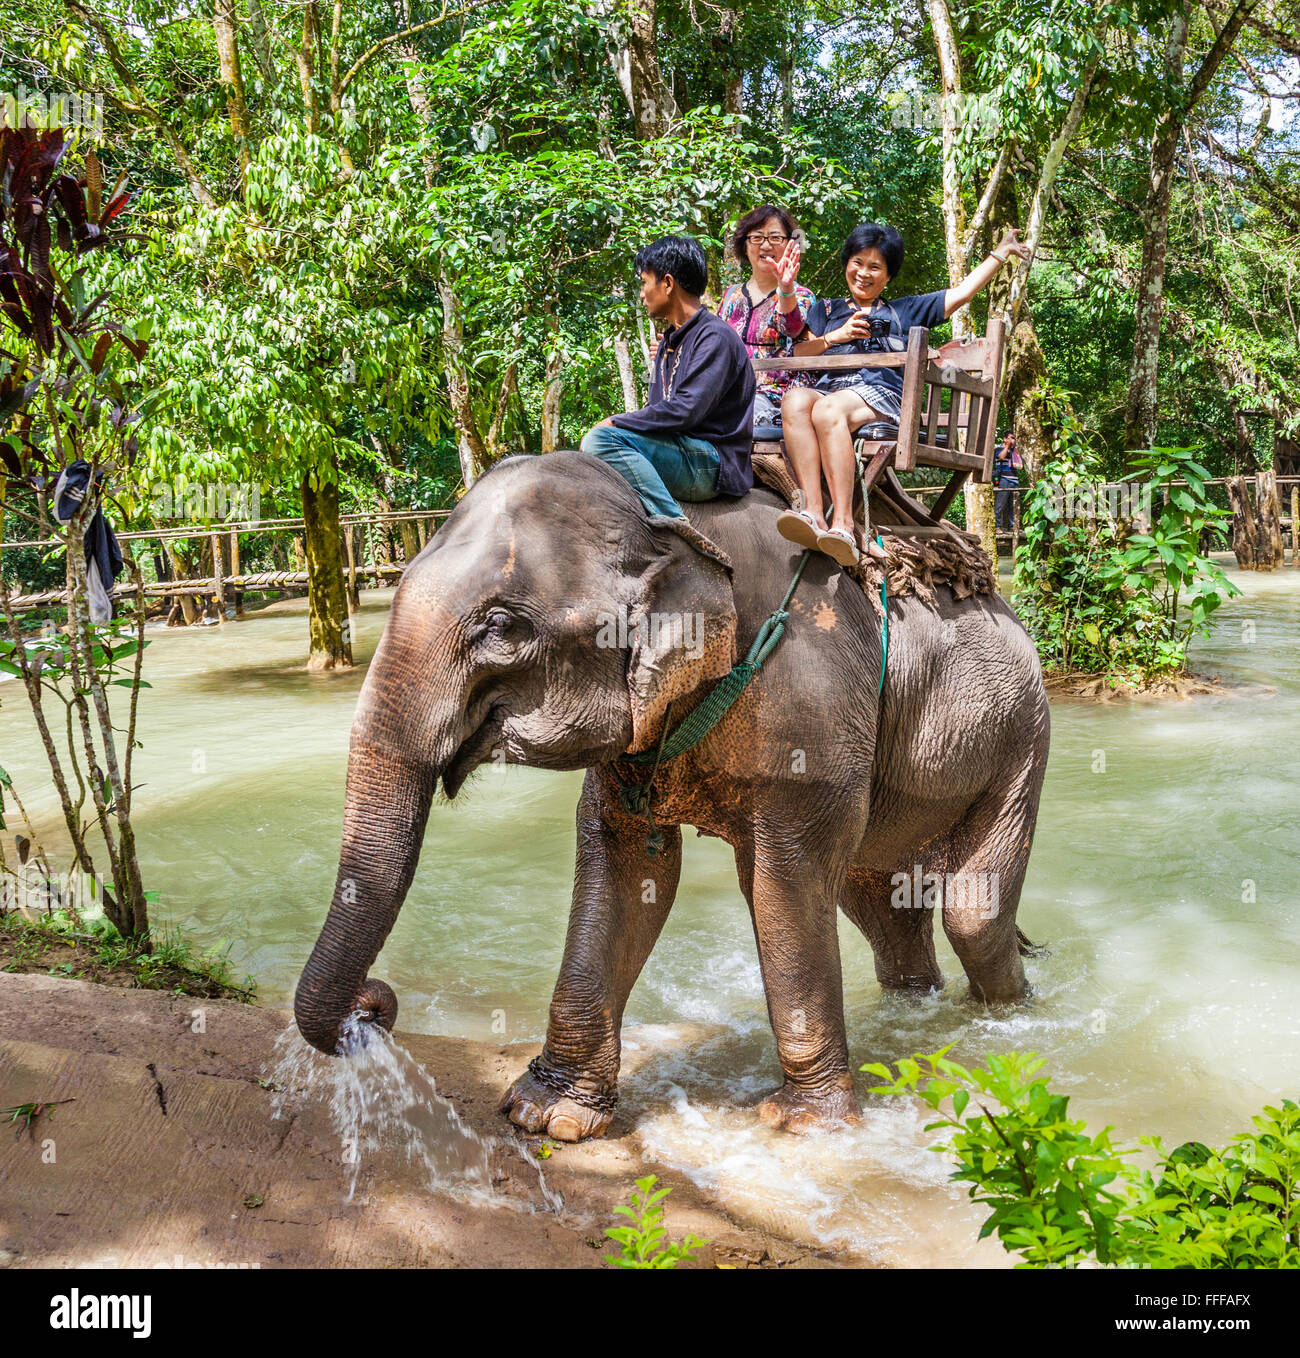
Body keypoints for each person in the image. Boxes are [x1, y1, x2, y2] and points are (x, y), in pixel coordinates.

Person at [776, 221, 1033, 567]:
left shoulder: (905, 310)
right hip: (829, 391)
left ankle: (844, 524)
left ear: (888, 276)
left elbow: (962, 294)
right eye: (857, 262)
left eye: (874, 267)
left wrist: (999, 254)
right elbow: (800, 356)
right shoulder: (825, 311)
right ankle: (813, 513)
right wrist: (835, 337)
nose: (863, 273)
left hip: (879, 396)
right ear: (846, 263)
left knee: (826, 412)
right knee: (794, 401)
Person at [581, 235, 756, 523]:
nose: (641, 293)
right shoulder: (668, 343)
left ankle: (675, 526)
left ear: (668, 283)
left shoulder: (715, 337)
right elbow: (657, 411)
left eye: (644, 282)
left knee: (601, 440)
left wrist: (618, 421)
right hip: (681, 451)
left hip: (711, 463)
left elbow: (685, 410)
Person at [715, 205, 816, 436]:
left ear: (790, 244)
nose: (766, 245)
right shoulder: (731, 295)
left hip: (776, 398)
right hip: (727, 394)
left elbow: (790, 327)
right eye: (757, 237)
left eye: (775, 237)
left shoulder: (802, 295)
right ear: (744, 244)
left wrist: (785, 286)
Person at [994, 433, 1023, 534]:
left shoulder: (1014, 451)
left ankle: (1012, 526)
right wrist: (1007, 446)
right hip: (1004, 479)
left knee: (1013, 505)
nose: (1012, 440)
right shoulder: (998, 448)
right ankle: (997, 526)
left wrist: (1014, 446)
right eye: (1010, 438)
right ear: (1005, 439)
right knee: (1000, 504)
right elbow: (1001, 457)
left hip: (1014, 480)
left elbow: (1020, 461)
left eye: (1013, 438)